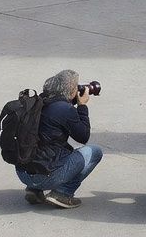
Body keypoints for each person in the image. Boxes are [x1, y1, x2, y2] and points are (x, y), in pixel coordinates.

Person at [18, 70, 102, 209]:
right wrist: (82, 106)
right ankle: (63, 193)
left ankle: (33, 189)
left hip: (23, 173)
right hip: (46, 177)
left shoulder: (35, 103)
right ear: (70, 90)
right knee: (94, 151)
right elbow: (83, 137)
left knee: (41, 146)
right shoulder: (65, 109)